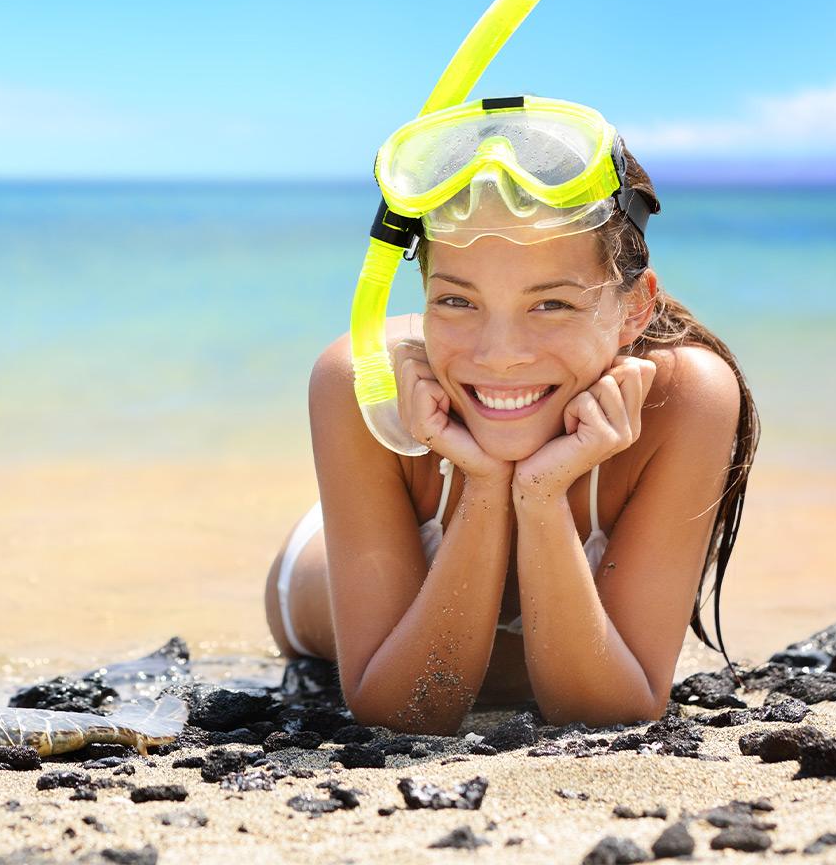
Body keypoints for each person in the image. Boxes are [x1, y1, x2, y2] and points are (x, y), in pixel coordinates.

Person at [262, 97, 757, 735]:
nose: (499, 357)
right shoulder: (368, 381)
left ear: (635, 308)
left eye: (551, 303)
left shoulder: (687, 396)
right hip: (331, 566)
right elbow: (402, 709)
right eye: (456, 300)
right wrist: (485, 485)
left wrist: (542, 494)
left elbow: (610, 713)